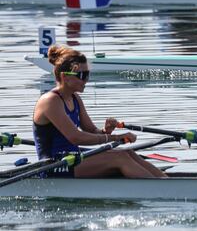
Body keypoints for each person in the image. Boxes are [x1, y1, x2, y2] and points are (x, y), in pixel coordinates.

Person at [32, 45, 166, 178]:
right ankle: (164, 191)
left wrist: (105, 131)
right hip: (52, 165)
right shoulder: (50, 101)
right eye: (82, 75)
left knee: (127, 153)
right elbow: (76, 137)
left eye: (87, 74)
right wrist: (114, 138)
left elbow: (91, 131)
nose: (86, 80)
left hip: (71, 157)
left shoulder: (75, 98)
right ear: (65, 77)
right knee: (119, 158)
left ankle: (166, 182)